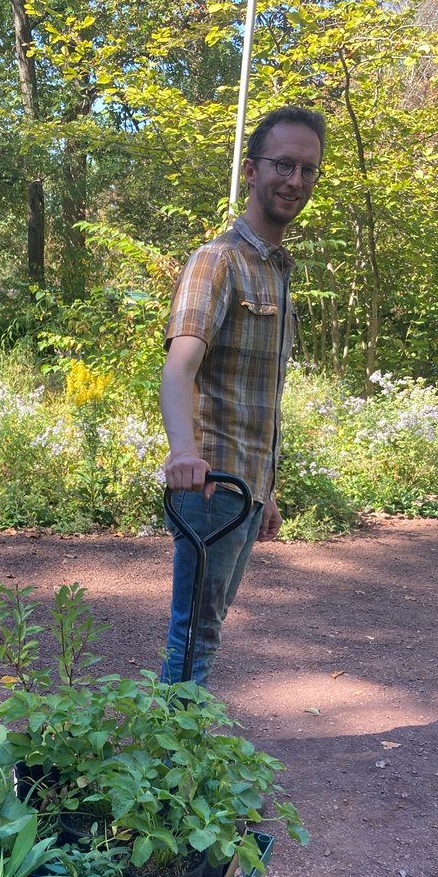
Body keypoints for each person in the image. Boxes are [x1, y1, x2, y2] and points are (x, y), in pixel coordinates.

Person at [159, 105, 325, 686]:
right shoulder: (218, 262)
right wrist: (184, 453)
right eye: (283, 164)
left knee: (207, 627)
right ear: (252, 171)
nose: (295, 181)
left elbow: (260, 395)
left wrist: (267, 491)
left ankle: (176, 759)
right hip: (212, 484)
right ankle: (168, 770)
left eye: (307, 170)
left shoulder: (278, 269)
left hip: (246, 488)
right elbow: (178, 368)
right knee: (195, 632)